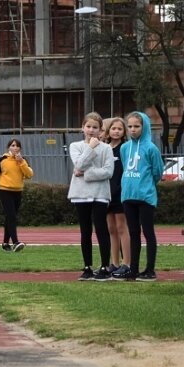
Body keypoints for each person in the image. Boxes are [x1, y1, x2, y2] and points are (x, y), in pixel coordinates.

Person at [112, 111, 164, 282]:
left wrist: (146, 184)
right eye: (130, 126)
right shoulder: (125, 148)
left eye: (137, 126)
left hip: (146, 197)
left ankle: (150, 269)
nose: (133, 130)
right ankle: (132, 269)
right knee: (133, 233)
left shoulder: (151, 148)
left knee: (148, 232)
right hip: (128, 196)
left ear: (144, 127)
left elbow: (157, 172)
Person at [67, 114, 115, 280]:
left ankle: (104, 267)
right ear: (82, 127)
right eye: (88, 126)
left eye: (95, 127)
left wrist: (86, 174)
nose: (91, 130)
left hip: (100, 194)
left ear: (100, 130)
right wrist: (90, 148)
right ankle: (87, 267)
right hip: (81, 194)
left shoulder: (107, 148)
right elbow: (78, 164)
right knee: (85, 231)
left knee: (101, 229)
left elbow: (108, 171)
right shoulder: (75, 146)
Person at [102, 117, 130, 274]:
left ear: (123, 132)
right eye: (113, 128)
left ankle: (127, 263)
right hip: (106, 193)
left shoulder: (125, 149)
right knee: (111, 229)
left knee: (121, 227)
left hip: (120, 192)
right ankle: (114, 263)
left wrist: (120, 189)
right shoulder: (105, 148)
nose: (116, 131)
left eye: (120, 129)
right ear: (108, 131)